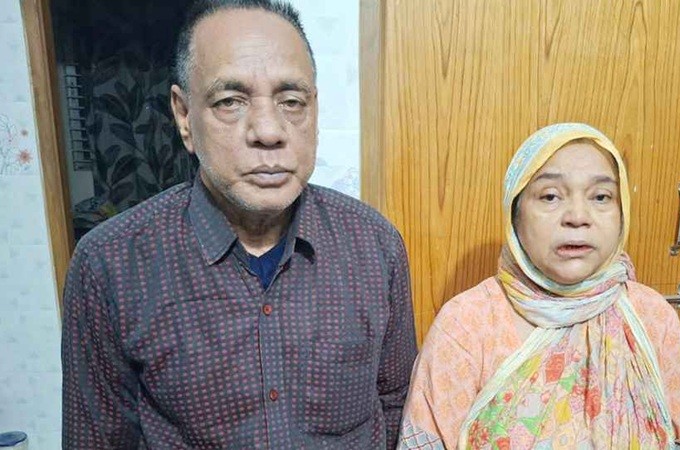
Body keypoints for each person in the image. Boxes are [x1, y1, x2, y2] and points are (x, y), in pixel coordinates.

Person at [61, 1, 417, 448]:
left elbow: (396, 403)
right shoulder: (110, 264)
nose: (268, 131)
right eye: (230, 101)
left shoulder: (375, 245)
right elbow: (98, 439)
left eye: (291, 101)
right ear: (184, 115)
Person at [398, 123, 680, 449]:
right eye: (550, 196)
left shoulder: (651, 316)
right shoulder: (467, 323)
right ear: (514, 215)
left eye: (601, 197)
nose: (577, 216)